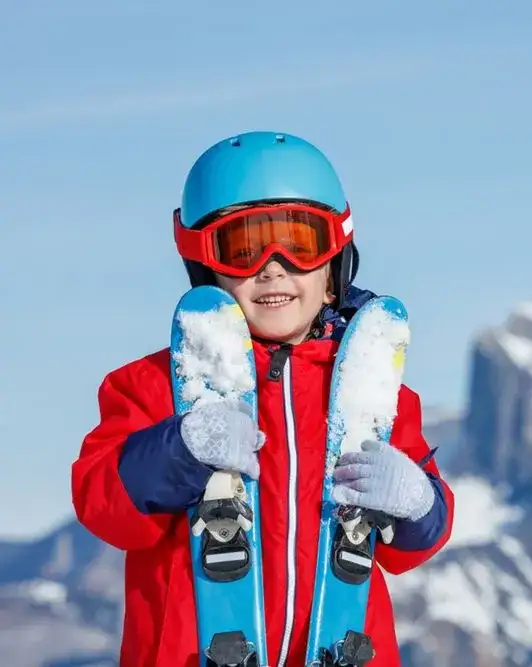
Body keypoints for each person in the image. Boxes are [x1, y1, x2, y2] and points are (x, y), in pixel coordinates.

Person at [70, 131, 454, 667]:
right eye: (244, 247)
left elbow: (411, 550)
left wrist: (418, 504)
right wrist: (181, 449)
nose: (273, 266)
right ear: (207, 266)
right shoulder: (154, 386)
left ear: (334, 268)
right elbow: (103, 506)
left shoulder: (380, 397)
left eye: (300, 244)